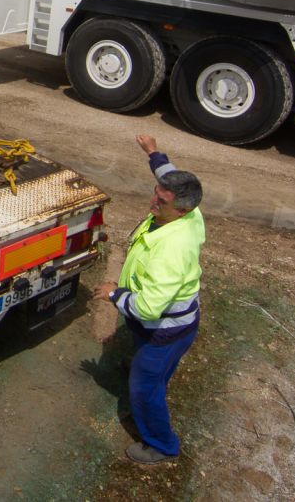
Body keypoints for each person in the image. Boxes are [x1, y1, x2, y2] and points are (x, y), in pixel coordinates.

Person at [95, 134, 205, 464]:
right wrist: (154, 154)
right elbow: (168, 175)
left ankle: (160, 444)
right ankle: (150, 370)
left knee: (143, 388)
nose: (153, 203)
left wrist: (114, 294)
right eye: (155, 194)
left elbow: (147, 307)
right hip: (166, 326)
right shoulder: (189, 212)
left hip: (164, 329)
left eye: (161, 202)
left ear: (182, 209)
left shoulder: (173, 249)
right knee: (149, 366)